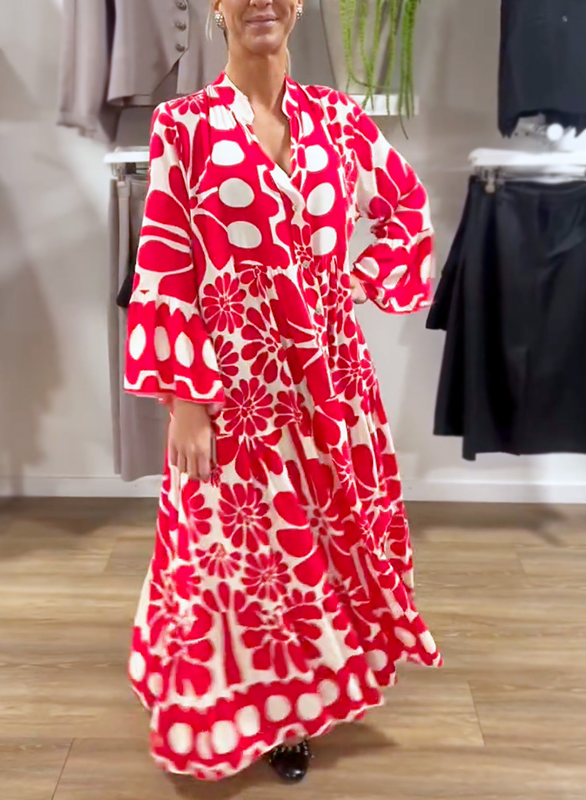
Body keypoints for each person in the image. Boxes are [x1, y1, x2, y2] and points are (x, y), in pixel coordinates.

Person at [124, 0, 442, 784]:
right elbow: (165, 263)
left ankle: (296, 711)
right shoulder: (184, 127)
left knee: (319, 547)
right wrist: (186, 399)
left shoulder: (339, 120)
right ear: (217, 6)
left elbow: (407, 209)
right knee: (234, 558)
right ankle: (225, 706)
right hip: (235, 389)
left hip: (330, 384)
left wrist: (352, 284)